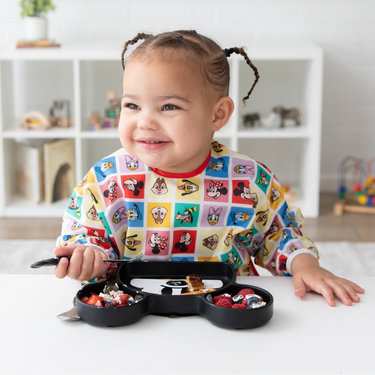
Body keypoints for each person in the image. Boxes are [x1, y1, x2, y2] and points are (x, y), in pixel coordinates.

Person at [54, 30, 364, 307]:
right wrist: (88, 258)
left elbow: (278, 235)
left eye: (168, 107)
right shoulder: (106, 179)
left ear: (217, 115)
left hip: (226, 309)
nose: (144, 121)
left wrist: (305, 265)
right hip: (133, 309)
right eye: (132, 106)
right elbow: (86, 237)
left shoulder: (247, 180)